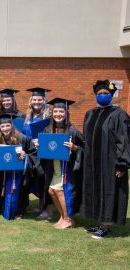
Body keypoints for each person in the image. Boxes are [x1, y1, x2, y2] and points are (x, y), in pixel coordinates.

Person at [80, 80, 130, 239]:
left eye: (106, 94)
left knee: (108, 192)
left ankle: (106, 227)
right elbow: (86, 138)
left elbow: (124, 140)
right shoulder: (90, 113)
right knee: (97, 191)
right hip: (93, 163)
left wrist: (122, 164)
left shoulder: (118, 114)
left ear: (111, 95)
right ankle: (100, 224)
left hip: (110, 162)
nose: (102, 96)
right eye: (99, 94)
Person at [34, 98, 84, 229]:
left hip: (66, 168)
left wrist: (75, 148)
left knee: (60, 191)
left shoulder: (72, 131)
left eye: (61, 111)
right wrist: (39, 145)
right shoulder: (48, 129)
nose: (58, 114)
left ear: (66, 113)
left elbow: (85, 148)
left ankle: (68, 219)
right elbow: (44, 148)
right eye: (55, 111)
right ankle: (62, 216)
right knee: (51, 191)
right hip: (53, 166)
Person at [0, 113, 34, 220]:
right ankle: (6, 211)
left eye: (8, 125)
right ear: (0, 127)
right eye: (2, 126)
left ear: (12, 125)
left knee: (20, 191)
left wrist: (26, 155)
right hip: (4, 173)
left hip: (20, 172)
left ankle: (20, 212)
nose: (5, 128)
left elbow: (33, 153)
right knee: (5, 189)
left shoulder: (23, 138)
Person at [21, 87, 52, 219]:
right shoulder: (27, 116)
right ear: (31, 100)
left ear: (44, 100)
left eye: (40, 99)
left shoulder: (48, 116)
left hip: (42, 152)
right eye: (34, 99)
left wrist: (41, 141)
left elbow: (52, 136)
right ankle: (40, 206)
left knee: (44, 180)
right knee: (34, 180)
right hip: (30, 153)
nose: (37, 102)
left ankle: (47, 210)